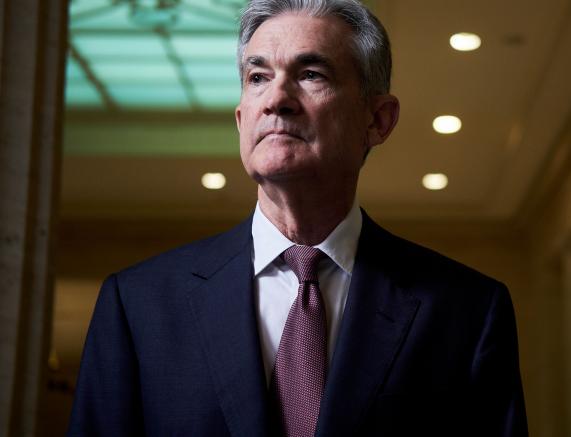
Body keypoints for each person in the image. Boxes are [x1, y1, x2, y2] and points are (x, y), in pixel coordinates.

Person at [68, 0, 528, 435]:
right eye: (257, 77)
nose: (276, 99)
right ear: (240, 119)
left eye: (310, 74)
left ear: (378, 120)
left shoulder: (466, 310)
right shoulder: (137, 305)